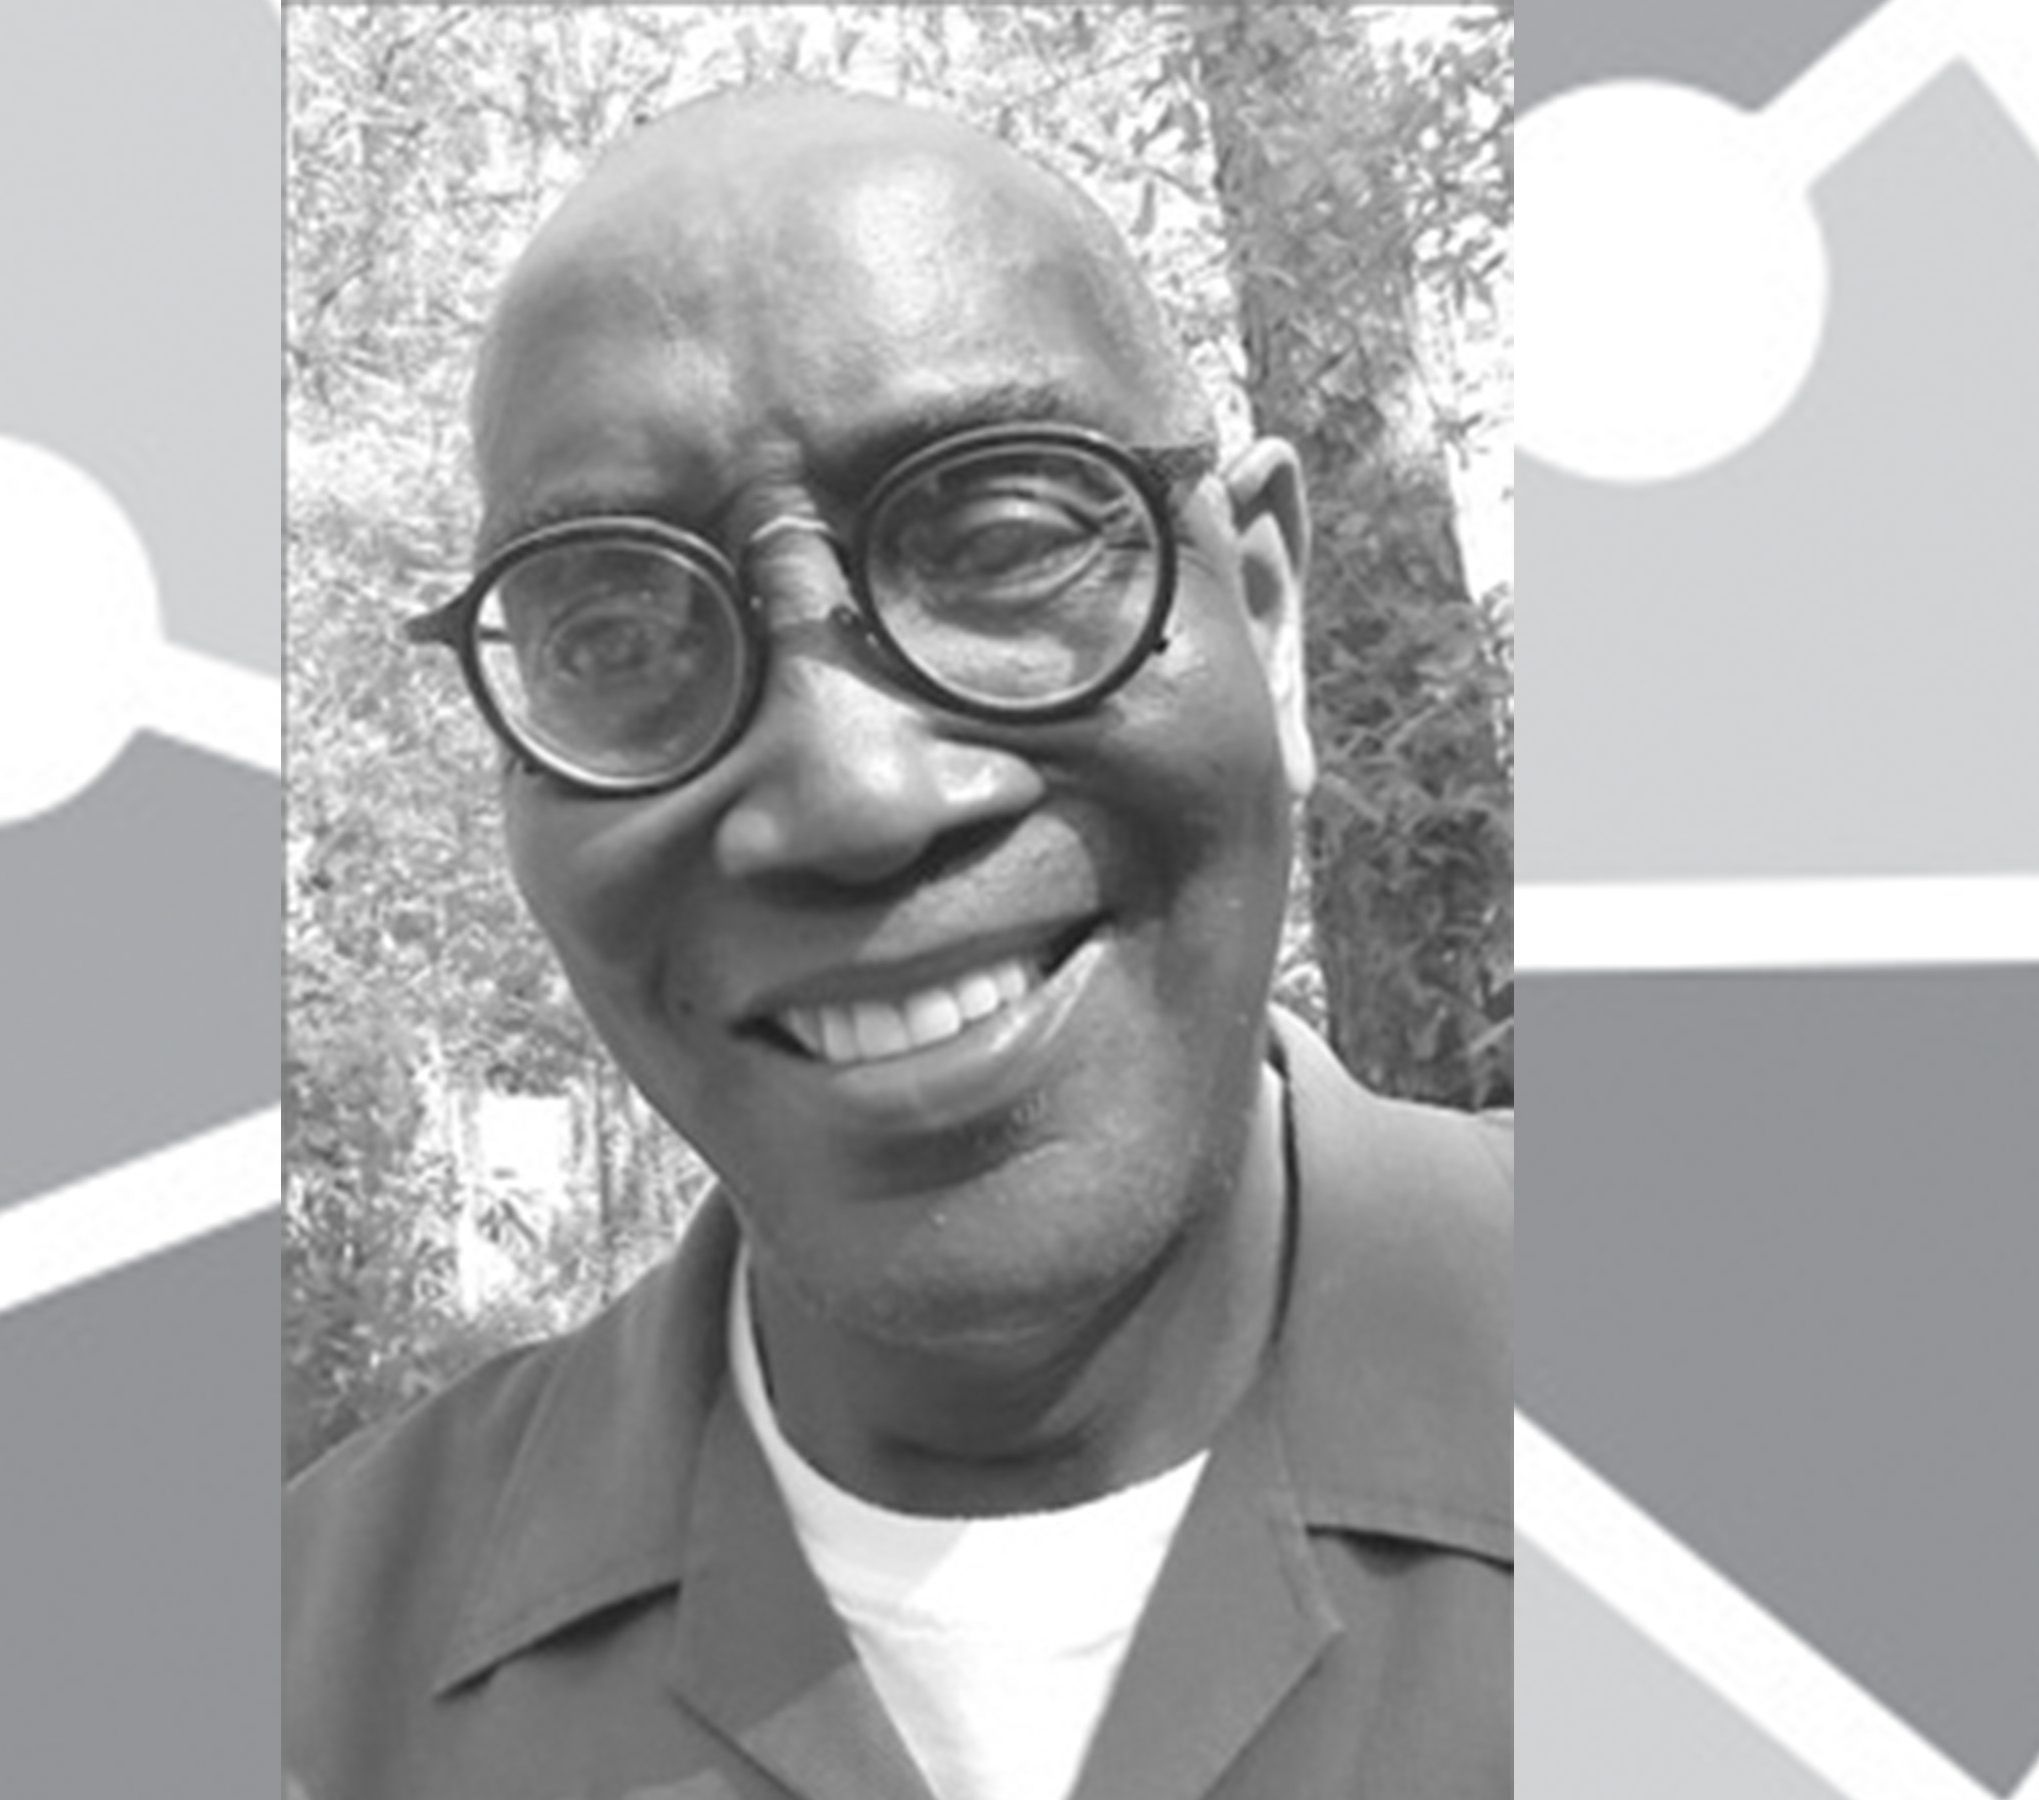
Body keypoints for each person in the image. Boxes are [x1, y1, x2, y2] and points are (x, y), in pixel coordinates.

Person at [283, 83, 1511, 1800]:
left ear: (1265, 615)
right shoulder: (301, 1676)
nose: (850, 797)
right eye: (617, 636)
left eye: (1005, 542)